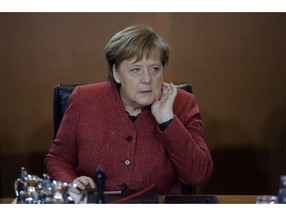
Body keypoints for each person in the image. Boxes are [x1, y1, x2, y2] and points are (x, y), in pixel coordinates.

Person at [44, 25, 213, 196]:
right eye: (136, 69)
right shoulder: (84, 100)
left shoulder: (182, 103)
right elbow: (57, 159)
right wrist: (71, 183)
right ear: (116, 73)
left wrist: (167, 120)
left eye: (155, 68)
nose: (147, 79)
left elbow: (198, 175)